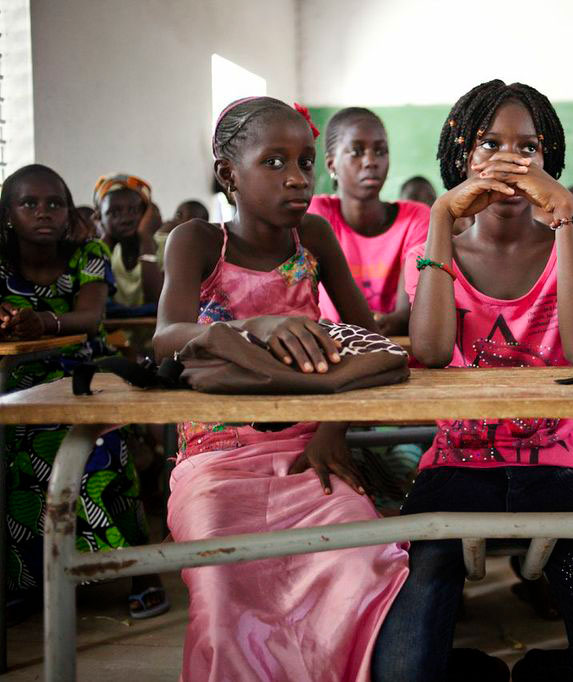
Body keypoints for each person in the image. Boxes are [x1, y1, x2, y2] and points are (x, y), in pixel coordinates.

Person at [371, 80, 573, 682]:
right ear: (459, 160)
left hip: (561, 467)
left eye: (529, 146)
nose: (510, 160)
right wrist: (443, 217)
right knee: (400, 668)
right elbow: (431, 349)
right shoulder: (434, 250)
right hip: (452, 468)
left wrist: (567, 217)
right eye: (489, 144)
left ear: (549, 160)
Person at [154, 96, 408, 681]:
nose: (297, 178)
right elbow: (166, 339)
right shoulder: (196, 242)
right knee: (224, 593)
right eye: (274, 162)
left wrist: (333, 433)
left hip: (307, 448)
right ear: (228, 174)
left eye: (305, 161)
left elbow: (366, 343)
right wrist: (252, 325)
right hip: (215, 460)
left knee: (361, 564)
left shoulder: (313, 237)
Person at [0, 164, 167, 621]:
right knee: (13, 449)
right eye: (29, 203)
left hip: (82, 373)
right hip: (14, 380)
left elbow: (90, 318)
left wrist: (43, 323)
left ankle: (141, 571)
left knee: (98, 444)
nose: (43, 213)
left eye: (54, 203)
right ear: (9, 214)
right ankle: (33, 577)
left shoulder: (87, 252)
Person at [308, 107, 429, 335]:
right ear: (331, 164)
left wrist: (373, 327)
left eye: (380, 151)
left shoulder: (416, 218)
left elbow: (406, 316)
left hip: (397, 349)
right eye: (356, 151)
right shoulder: (316, 213)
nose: (371, 161)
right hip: (333, 350)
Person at [94, 174, 163, 315]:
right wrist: (104, 240)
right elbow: (95, 307)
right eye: (114, 213)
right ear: (99, 219)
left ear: (149, 214)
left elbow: (159, 304)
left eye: (133, 210)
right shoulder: (101, 253)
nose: (125, 219)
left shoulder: (169, 247)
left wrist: (146, 238)